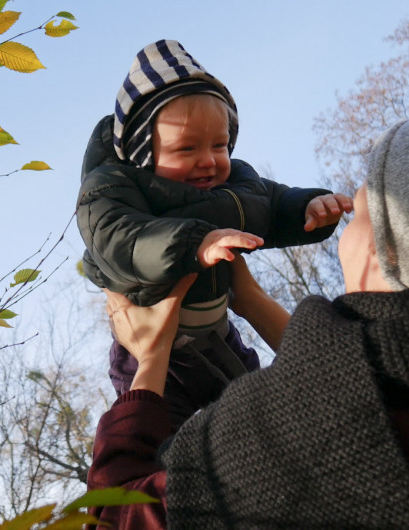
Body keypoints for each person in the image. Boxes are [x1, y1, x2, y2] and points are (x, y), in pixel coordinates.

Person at [87, 104, 409, 529]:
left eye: (362, 215)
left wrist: (150, 360)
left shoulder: (286, 454)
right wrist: (253, 302)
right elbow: (336, 371)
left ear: (383, 252)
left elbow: (117, 517)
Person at [76, 39, 352, 428]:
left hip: (219, 335)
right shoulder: (117, 187)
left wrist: (308, 207)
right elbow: (117, 238)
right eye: (186, 149)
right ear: (143, 152)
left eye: (219, 145)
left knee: (266, 414)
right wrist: (195, 243)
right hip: (150, 349)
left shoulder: (236, 183)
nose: (208, 161)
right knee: (158, 436)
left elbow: (271, 204)